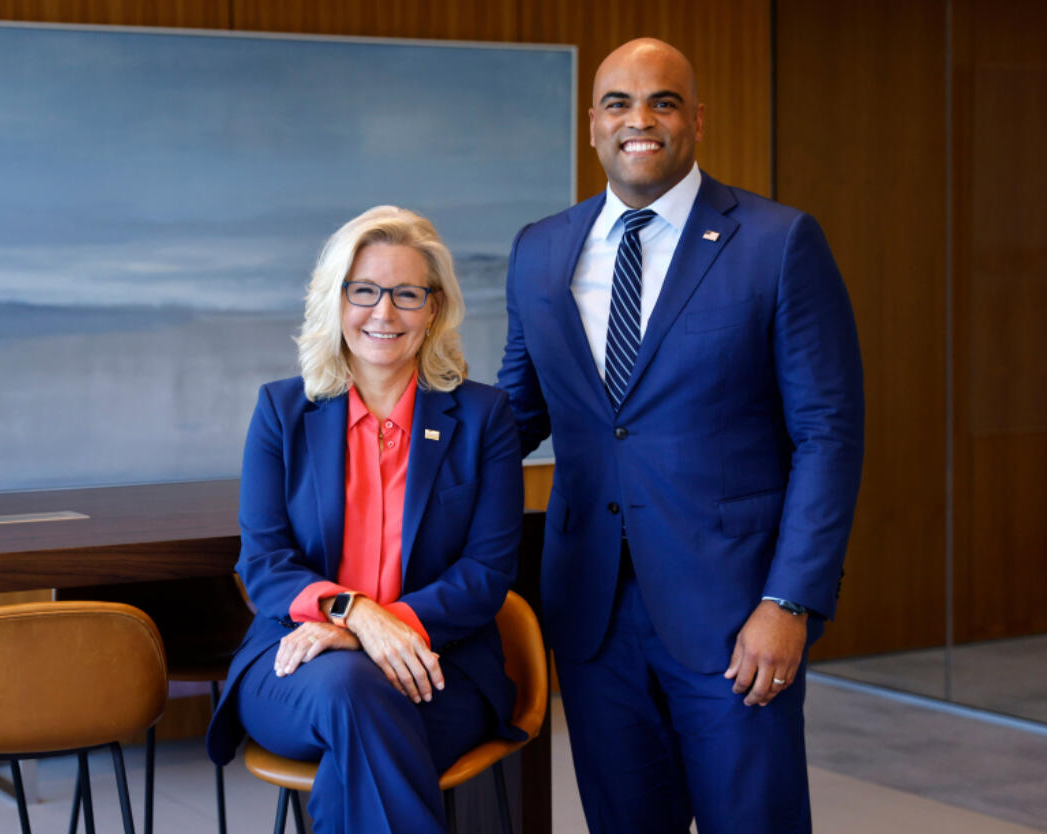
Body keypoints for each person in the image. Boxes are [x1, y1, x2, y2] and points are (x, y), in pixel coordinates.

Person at [497, 38, 864, 833]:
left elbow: (828, 434)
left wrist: (789, 601)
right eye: (619, 104)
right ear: (592, 124)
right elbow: (514, 420)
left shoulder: (776, 242)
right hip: (593, 612)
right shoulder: (539, 252)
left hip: (736, 612)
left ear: (694, 119)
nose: (641, 120)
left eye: (662, 101)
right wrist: (386, 433)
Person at [206, 205, 524, 833]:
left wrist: (374, 631)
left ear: (434, 309)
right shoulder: (282, 412)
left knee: (362, 742)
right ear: (336, 300)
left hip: (438, 667)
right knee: (354, 694)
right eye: (365, 292)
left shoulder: (484, 418)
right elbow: (264, 563)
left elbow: (486, 573)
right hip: (297, 669)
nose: (384, 313)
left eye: (407, 294)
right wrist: (357, 615)